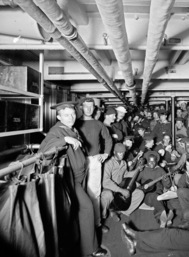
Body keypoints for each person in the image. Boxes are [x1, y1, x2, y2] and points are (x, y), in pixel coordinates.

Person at [39, 101, 108, 257]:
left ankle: (78, 245)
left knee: (76, 211)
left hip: (80, 176)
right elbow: (44, 148)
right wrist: (65, 140)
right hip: (70, 179)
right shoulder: (57, 130)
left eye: (72, 114)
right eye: (66, 115)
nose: (70, 117)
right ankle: (91, 249)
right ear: (58, 117)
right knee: (87, 207)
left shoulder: (73, 129)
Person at [75, 98, 112, 233]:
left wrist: (105, 154)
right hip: (79, 161)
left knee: (95, 193)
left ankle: (97, 223)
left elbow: (108, 139)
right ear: (81, 108)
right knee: (78, 192)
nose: (89, 109)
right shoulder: (75, 123)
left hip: (95, 161)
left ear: (94, 108)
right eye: (86, 106)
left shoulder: (98, 124)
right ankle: (80, 225)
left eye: (91, 107)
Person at [101, 143, 145, 223]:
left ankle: (120, 211)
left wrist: (137, 169)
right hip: (109, 188)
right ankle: (101, 220)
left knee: (140, 194)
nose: (122, 155)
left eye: (123, 153)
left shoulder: (123, 163)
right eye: (119, 152)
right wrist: (121, 190)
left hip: (120, 187)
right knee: (107, 195)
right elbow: (105, 182)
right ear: (114, 152)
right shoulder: (108, 163)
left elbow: (126, 174)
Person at [136, 151, 173, 228]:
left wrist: (166, 180)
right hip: (147, 194)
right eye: (150, 161)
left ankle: (162, 220)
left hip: (159, 192)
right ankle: (164, 216)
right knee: (156, 198)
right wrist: (139, 187)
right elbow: (135, 181)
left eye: (154, 161)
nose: (151, 163)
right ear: (147, 161)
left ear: (157, 161)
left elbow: (168, 185)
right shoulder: (143, 170)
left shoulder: (160, 170)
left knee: (159, 199)